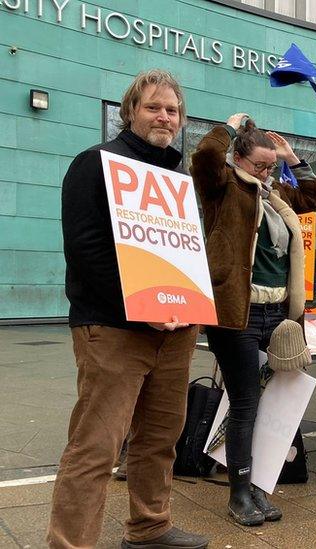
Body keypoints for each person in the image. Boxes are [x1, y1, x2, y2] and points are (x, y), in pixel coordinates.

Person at [49, 69, 208, 549]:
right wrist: (140, 304)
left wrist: (188, 303)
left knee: (160, 439)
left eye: (173, 110)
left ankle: (149, 528)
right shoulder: (95, 163)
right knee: (95, 447)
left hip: (174, 331)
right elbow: (85, 248)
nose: (165, 116)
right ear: (130, 112)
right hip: (114, 328)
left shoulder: (175, 180)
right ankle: (69, 544)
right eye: (153, 107)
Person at [190, 113, 316, 525]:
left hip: (278, 315)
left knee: (273, 404)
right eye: (260, 165)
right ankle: (238, 494)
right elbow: (204, 159)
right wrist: (228, 129)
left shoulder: (274, 194)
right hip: (237, 313)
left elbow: (314, 195)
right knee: (247, 402)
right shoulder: (223, 187)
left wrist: (291, 157)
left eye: (271, 166)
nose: (267, 172)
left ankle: (257, 488)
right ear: (238, 158)